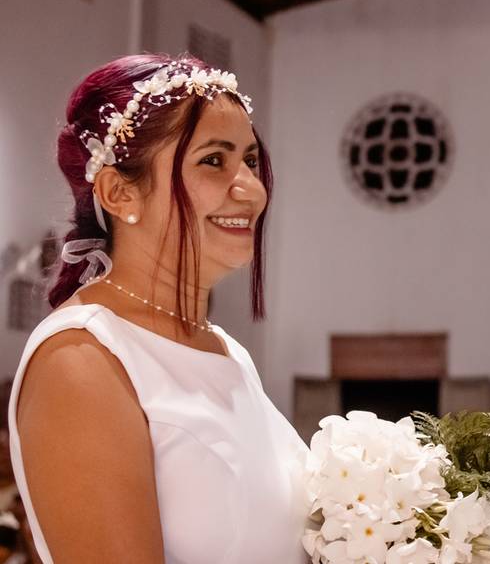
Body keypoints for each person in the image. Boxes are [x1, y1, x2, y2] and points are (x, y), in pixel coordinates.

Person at [8, 54, 310, 563]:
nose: (253, 191)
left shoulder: (228, 352)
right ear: (120, 191)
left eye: (251, 161)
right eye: (214, 160)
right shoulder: (82, 361)